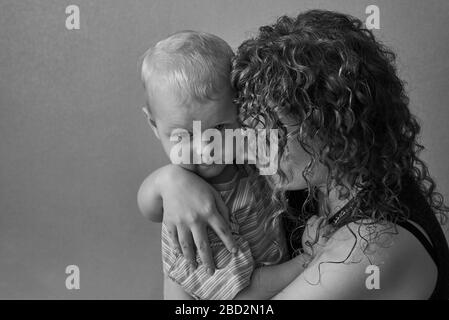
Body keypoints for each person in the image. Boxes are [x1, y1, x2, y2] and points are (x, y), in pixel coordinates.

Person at [139, 10, 449, 299]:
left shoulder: (367, 246)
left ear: (332, 133)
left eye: (272, 129)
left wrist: (177, 276)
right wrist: (172, 181)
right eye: (249, 122)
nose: (247, 141)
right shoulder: (325, 175)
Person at [138, 30, 304, 300]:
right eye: (185, 135)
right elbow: (241, 294)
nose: (206, 150)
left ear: (241, 110)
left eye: (219, 128)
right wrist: (311, 259)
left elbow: (303, 153)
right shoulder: (193, 210)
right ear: (154, 125)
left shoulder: (247, 150)